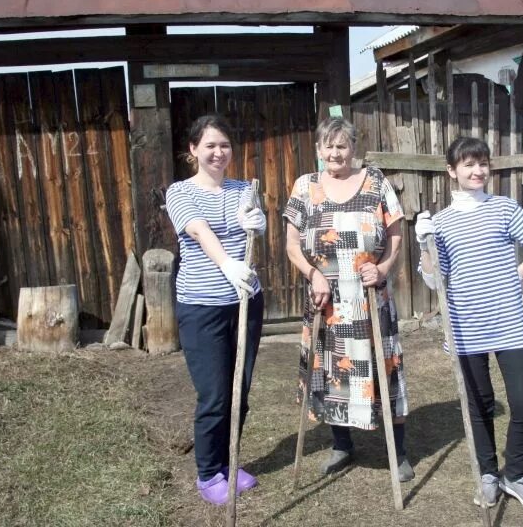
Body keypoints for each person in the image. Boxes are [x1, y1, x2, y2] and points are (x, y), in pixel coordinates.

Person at [416, 136, 523, 512]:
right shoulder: (440, 223)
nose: (477, 171)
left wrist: (519, 272)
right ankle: (490, 475)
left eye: (482, 164)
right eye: (468, 165)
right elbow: (433, 281)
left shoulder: (504, 209)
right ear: (452, 171)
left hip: (508, 322)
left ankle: (516, 475)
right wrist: (424, 244)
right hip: (465, 326)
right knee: (479, 407)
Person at [283, 116, 413, 482]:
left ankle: (397, 451)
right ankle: (342, 445)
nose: (335, 153)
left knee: (383, 369)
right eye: (328, 146)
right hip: (326, 297)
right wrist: (313, 274)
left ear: (354, 148)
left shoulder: (375, 181)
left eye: (342, 145)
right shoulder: (305, 186)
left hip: (369, 295)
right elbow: (292, 244)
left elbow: (396, 233)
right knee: (329, 372)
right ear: (319, 150)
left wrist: (383, 267)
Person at [165, 115, 268, 506]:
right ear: (193, 150)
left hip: (245, 301)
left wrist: (256, 223)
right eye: (209, 145)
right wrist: (226, 263)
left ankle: (229, 462)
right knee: (214, 395)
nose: (218, 152)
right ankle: (208, 475)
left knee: (239, 391)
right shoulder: (180, 191)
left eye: (224, 145)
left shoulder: (244, 188)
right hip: (202, 306)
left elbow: (254, 235)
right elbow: (198, 230)